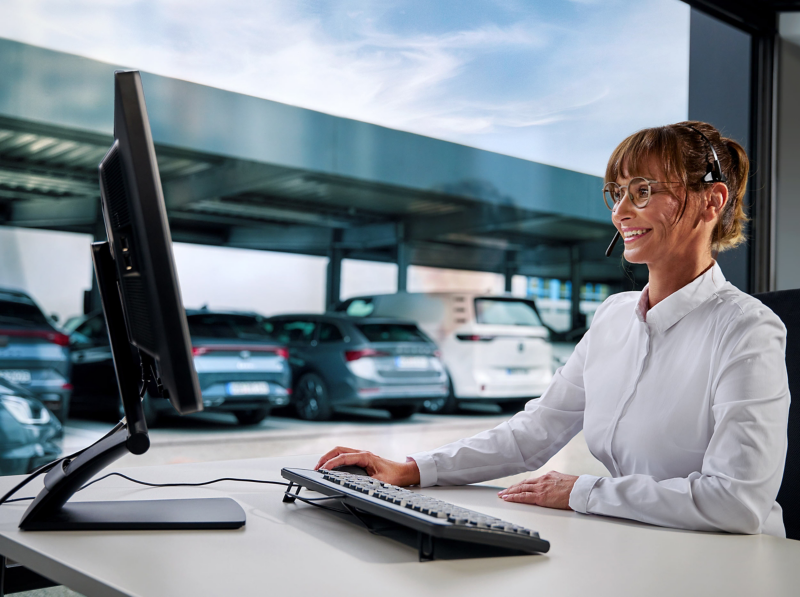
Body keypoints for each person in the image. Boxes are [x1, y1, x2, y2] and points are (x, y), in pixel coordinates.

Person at [316, 121, 791, 537]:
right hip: (640, 545)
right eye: (617, 192)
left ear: (712, 201)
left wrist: (582, 491)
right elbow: (534, 433)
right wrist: (412, 470)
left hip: (732, 565)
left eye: (643, 191)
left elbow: (736, 502)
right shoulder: (613, 317)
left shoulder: (747, 329)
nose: (621, 211)